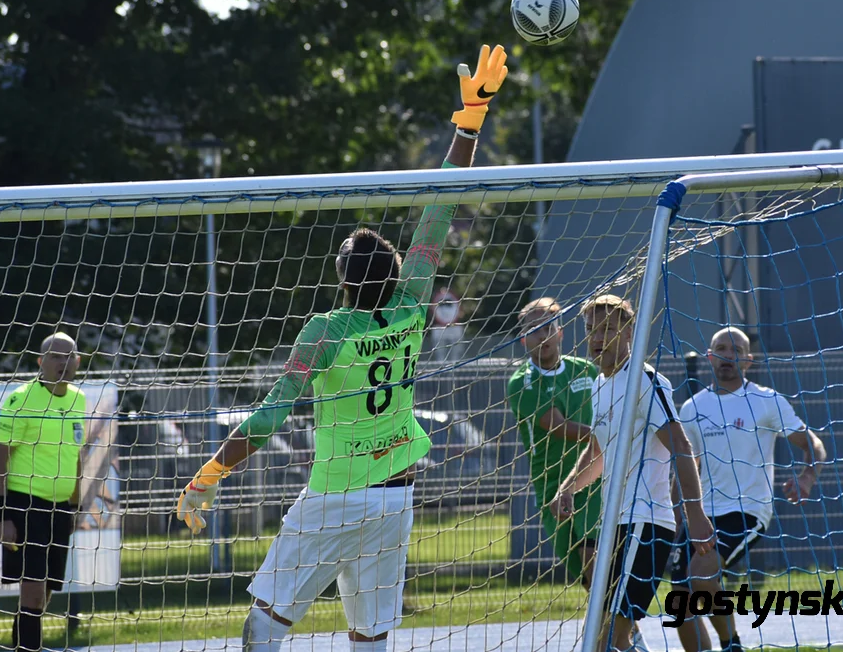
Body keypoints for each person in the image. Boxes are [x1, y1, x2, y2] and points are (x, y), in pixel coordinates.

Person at [174, 43, 509, 652]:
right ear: (394, 268)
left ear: (346, 279)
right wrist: (470, 121)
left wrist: (209, 473)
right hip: (396, 495)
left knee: (264, 623)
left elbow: (269, 415)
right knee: (369, 634)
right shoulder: (412, 305)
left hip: (336, 491)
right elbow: (440, 206)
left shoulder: (325, 331)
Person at [548, 294, 715, 652]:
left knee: (607, 638)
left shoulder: (646, 381)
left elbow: (682, 447)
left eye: (608, 329)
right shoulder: (599, 384)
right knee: (610, 637)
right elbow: (598, 452)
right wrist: (567, 488)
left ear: (630, 334)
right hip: (614, 525)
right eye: (591, 330)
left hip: (645, 524)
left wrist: (695, 513)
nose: (597, 338)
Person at [669, 327, 827, 652]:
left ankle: (731, 644)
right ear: (710, 356)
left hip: (747, 511)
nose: (729, 355)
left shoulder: (766, 401)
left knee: (700, 575)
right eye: (722, 349)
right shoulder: (692, 409)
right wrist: (675, 515)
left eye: (736, 350)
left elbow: (812, 443)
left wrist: (807, 477)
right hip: (703, 514)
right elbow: (688, 467)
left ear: (749, 360)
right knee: (679, 597)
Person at [0, 332, 86, 652]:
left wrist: (75, 508)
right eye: (55, 357)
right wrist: (2, 517)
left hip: (61, 509)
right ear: (40, 362)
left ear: (78, 361)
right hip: (25, 505)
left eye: (68, 356)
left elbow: (76, 457)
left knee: (44, 593)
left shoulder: (79, 398)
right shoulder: (20, 399)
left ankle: (21, 645)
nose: (63, 363)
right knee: (31, 593)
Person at [507, 297, 601, 584]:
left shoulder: (587, 370)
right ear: (524, 339)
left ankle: (620, 629)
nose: (542, 334)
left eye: (548, 326)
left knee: (594, 553)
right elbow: (558, 427)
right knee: (584, 572)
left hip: (594, 473)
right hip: (552, 483)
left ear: (560, 332)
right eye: (534, 328)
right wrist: (609, 435)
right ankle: (617, 626)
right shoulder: (521, 382)